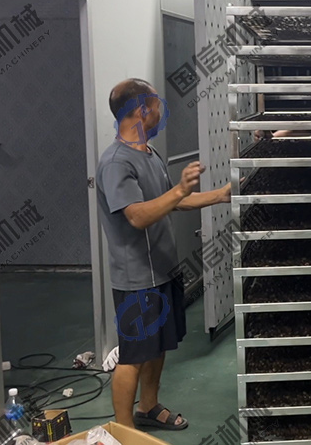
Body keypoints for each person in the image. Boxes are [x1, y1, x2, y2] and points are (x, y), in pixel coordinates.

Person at [96, 78, 232, 431]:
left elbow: (171, 201)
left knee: (157, 348)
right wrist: (179, 190)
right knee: (133, 357)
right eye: (157, 103)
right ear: (142, 110)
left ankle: (148, 406)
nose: (161, 110)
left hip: (163, 270)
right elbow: (137, 215)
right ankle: (124, 431)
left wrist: (221, 195)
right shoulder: (116, 163)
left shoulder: (149, 153)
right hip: (137, 279)